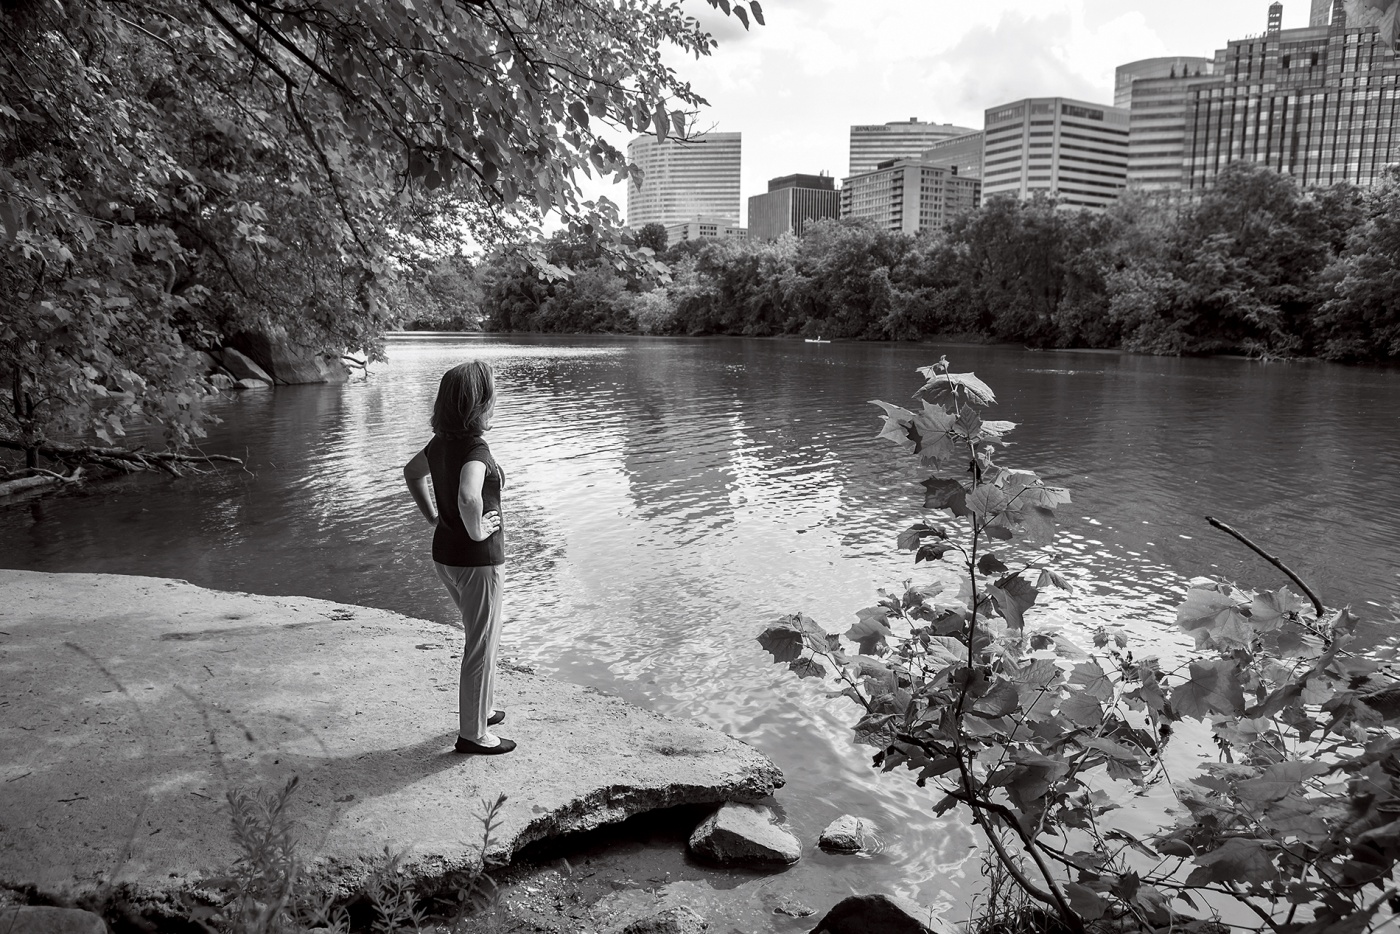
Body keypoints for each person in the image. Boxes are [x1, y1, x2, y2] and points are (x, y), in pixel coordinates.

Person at [403, 361, 514, 755]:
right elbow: (469, 496)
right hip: (476, 561)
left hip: (445, 556)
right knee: (481, 644)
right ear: (480, 402)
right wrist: (478, 531)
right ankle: (473, 735)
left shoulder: (440, 443)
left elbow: (411, 473)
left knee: (480, 637)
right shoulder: (475, 448)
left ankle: (480, 709)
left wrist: (433, 516)